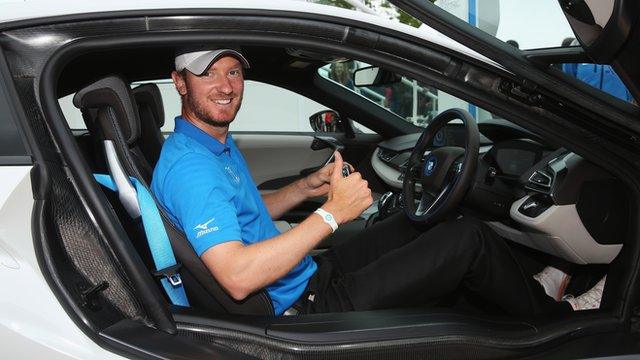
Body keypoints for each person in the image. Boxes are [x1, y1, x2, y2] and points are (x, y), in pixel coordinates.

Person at [151, 48, 605, 316]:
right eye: (207, 74)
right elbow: (236, 277)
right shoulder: (193, 169)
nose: (225, 85)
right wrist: (333, 213)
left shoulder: (205, 147)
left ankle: (529, 294)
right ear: (179, 83)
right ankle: (558, 317)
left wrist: (308, 188)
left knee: (419, 220)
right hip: (302, 309)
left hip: (305, 275)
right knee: (468, 237)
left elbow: (244, 213)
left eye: (232, 71)